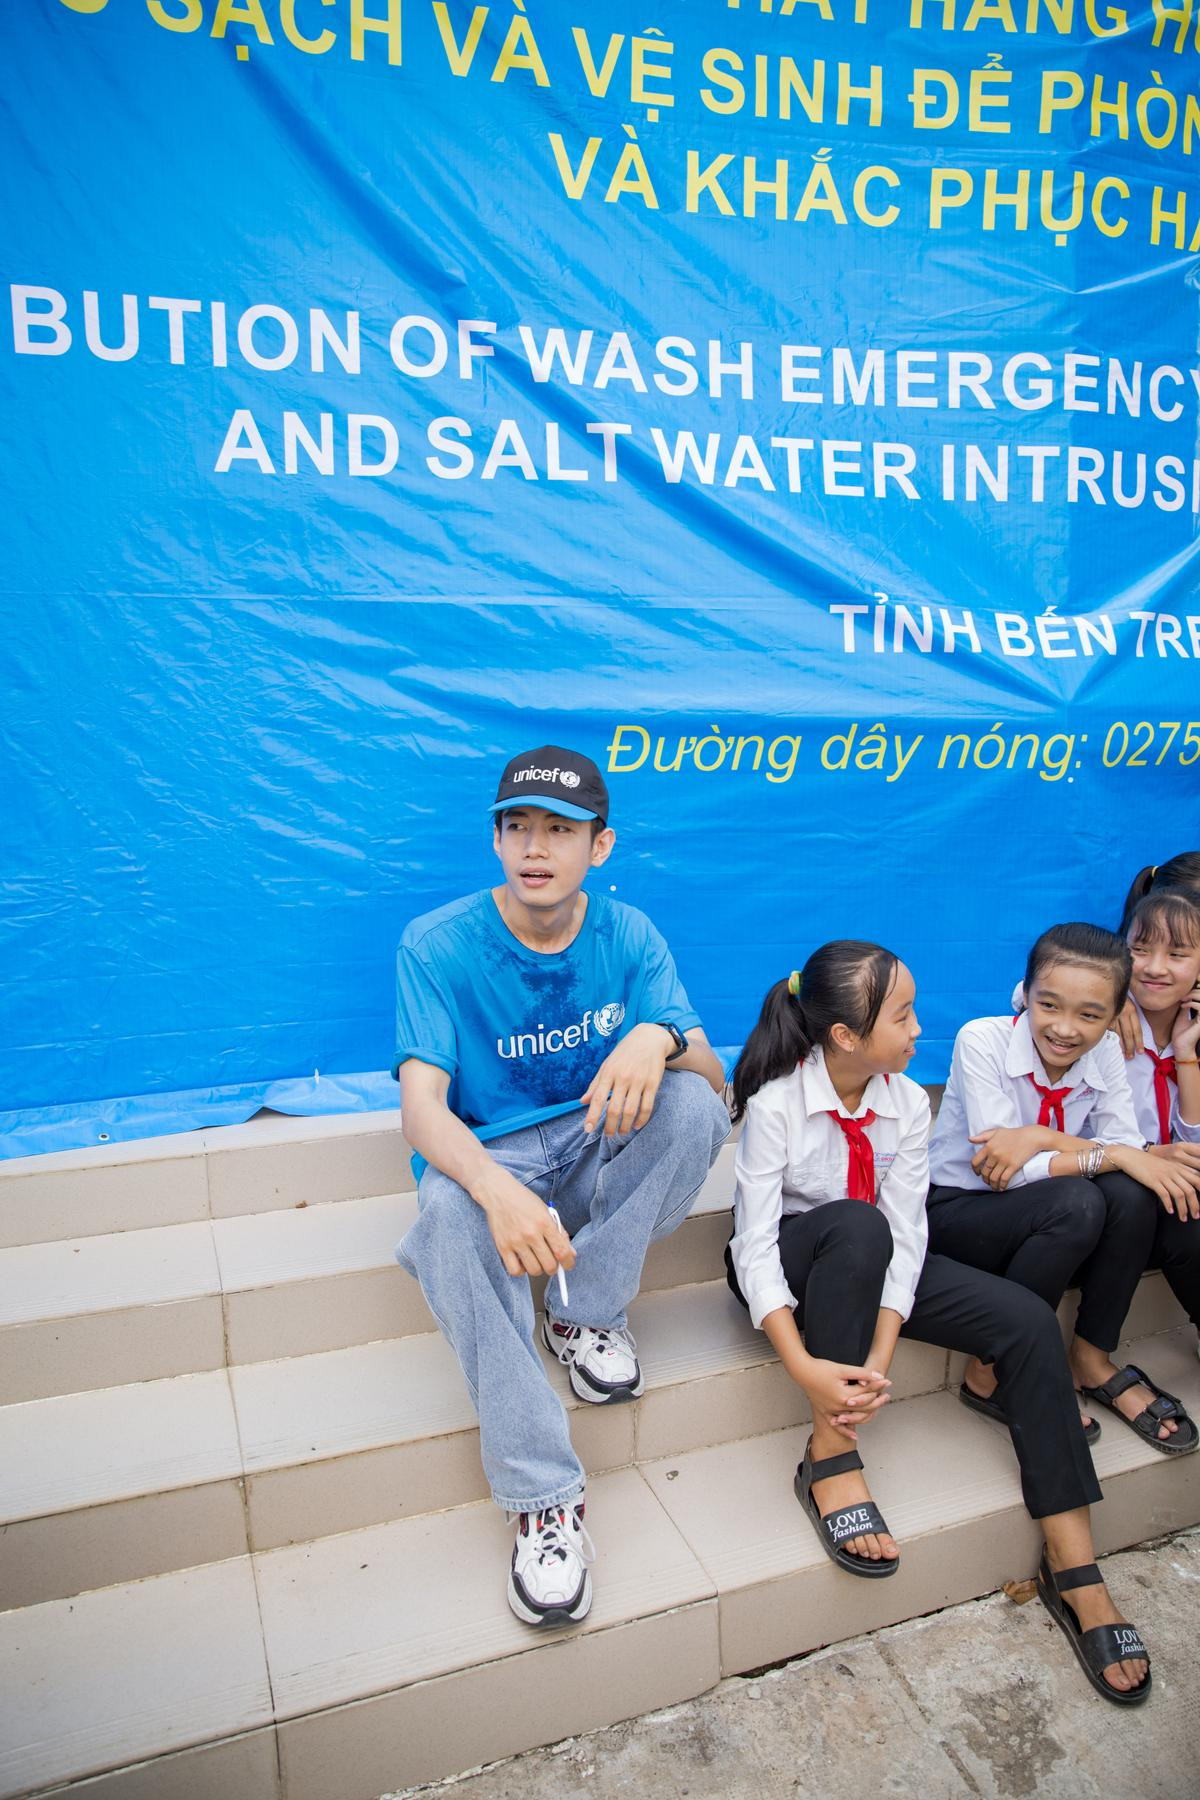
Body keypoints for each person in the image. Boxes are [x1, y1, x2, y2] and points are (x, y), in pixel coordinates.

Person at [727, 941, 1150, 1703]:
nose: (921, 1029)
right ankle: (830, 1456)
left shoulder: (901, 1103)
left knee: (1022, 1321)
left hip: (875, 1259)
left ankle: (1076, 1567)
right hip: (792, 1262)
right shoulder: (776, 1105)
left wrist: (882, 1349)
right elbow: (752, 1247)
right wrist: (802, 1365)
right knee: (852, 1225)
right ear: (847, 1038)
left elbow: (910, 1234)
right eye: (904, 1015)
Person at [392, 745, 730, 1629]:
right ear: (497, 840)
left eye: (559, 830)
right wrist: (494, 1191)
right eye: (517, 827)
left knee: (691, 1109)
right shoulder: (437, 944)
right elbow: (424, 1113)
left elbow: (714, 1078)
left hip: (588, 1139)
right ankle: (543, 1496)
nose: (535, 847)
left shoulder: (630, 936)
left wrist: (654, 1038)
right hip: (492, 1156)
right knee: (445, 1209)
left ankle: (585, 1312)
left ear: (599, 846)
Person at [928, 922, 1199, 1459]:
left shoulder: (1104, 1054)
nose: (1065, 1029)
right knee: (1080, 1198)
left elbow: (1119, 1142)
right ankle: (992, 1371)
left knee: (1130, 1192)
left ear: (1119, 1013)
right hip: (965, 1213)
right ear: (1023, 994)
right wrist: (1115, 1153)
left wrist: (1058, 1140)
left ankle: (1091, 1357)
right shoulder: (981, 1039)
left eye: (1091, 1015)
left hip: (1050, 1221)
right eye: (1048, 1005)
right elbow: (999, 1168)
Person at [1119, 892, 1200, 1350]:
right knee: (1188, 1226)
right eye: (1140, 949)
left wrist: (1186, 1054)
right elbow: (1032, 993)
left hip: (1170, 1180)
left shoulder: (1190, 1030)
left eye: (1177, 954)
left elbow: (1192, 1141)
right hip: (1115, 1186)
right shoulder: (1107, 1020)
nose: (1154, 967)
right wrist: (1111, 994)